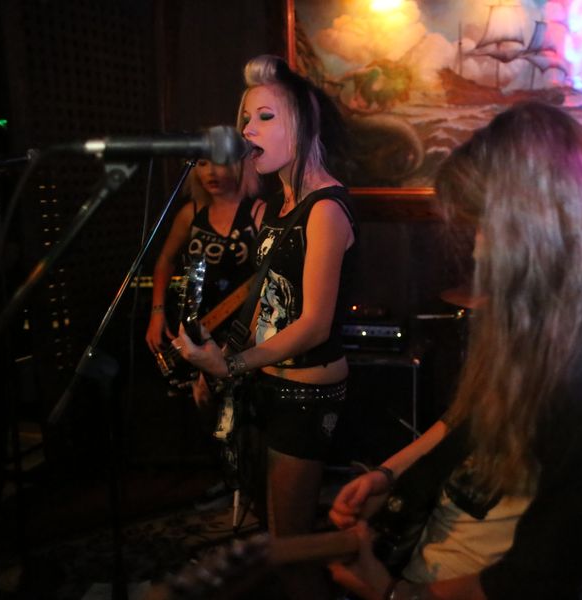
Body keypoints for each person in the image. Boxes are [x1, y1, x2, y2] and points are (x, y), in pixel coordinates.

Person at [327, 102, 582, 600]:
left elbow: (536, 580)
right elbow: (472, 417)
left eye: (488, 226)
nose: (479, 248)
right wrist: (390, 475)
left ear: (540, 222)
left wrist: (392, 594)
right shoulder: (554, 315)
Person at [172, 54, 355, 600]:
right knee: (274, 533)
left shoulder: (325, 209)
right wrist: (219, 366)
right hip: (268, 383)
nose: (248, 130)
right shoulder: (279, 205)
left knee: (291, 545)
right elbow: (267, 302)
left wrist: (230, 364)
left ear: (303, 124)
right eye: (246, 118)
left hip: (306, 393)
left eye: (266, 117)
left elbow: (314, 324)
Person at [144, 156, 264, 362]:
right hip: (190, 323)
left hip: (239, 327)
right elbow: (165, 259)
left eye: (219, 162)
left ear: (239, 165)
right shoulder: (190, 213)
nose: (210, 172)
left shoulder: (258, 212)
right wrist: (157, 312)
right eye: (202, 163)